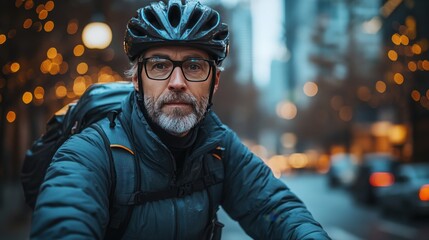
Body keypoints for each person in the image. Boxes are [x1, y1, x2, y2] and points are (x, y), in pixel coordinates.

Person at [30, 0, 331, 239]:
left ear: (214, 83)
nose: (176, 82)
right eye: (160, 65)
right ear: (137, 79)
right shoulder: (90, 152)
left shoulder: (220, 147)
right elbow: (66, 219)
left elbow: (274, 209)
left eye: (195, 66)